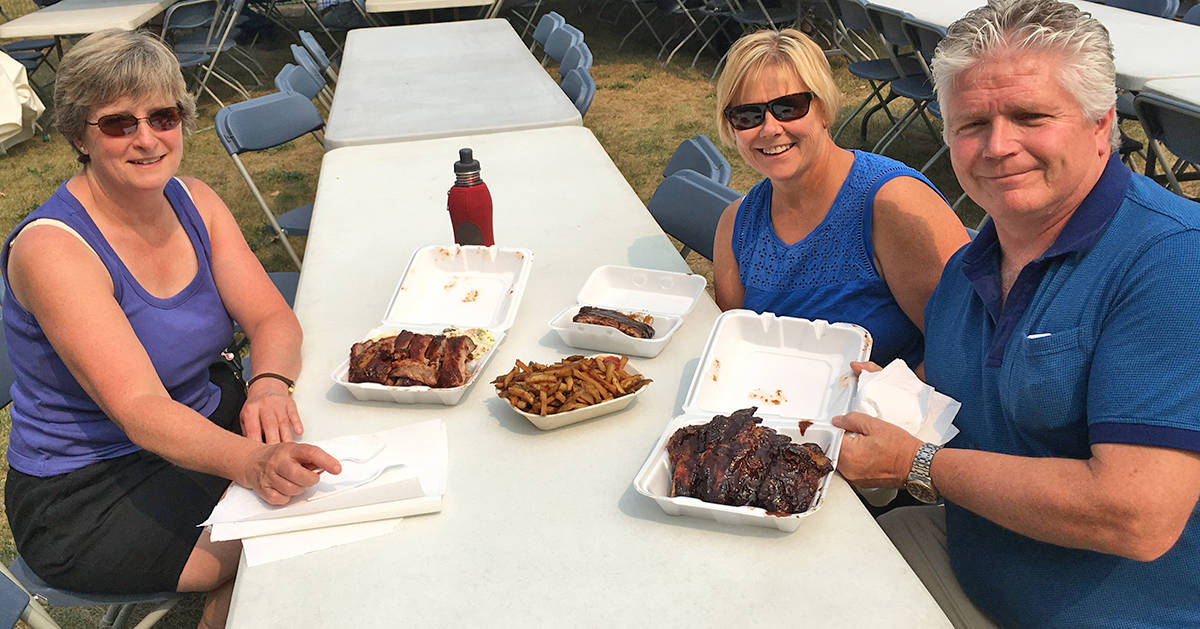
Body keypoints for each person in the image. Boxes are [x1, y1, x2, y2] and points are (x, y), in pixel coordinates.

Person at [832, 1, 1200, 627]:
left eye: (1030, 116)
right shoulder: (973, 259)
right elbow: (973, 380)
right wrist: (875, 399)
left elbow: (1136, 516)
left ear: (1100, 123)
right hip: (974, 557)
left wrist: (916, 464)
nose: (998, 146)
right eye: (971, 122)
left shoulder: (1171, 262)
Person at [1, 29, 341, 629]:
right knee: (290, 533)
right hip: (90, 487)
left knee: (318, 489)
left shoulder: (196, 201)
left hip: (199, 425)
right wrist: (253, 463)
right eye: (117, 124)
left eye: (162, 116)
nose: (147, 138)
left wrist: (266, 383)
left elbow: (271, 318)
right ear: (79, 135)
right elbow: (138, 409)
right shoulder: (54, 250)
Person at [711, 28, 969, 368]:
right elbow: (735, 351)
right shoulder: (737, 225)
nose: (770, 128)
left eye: (789, 107)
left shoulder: (892, 203)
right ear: (731, 128)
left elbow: (965, 346)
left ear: (824, 109)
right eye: (747, 115)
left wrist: (888, 396)